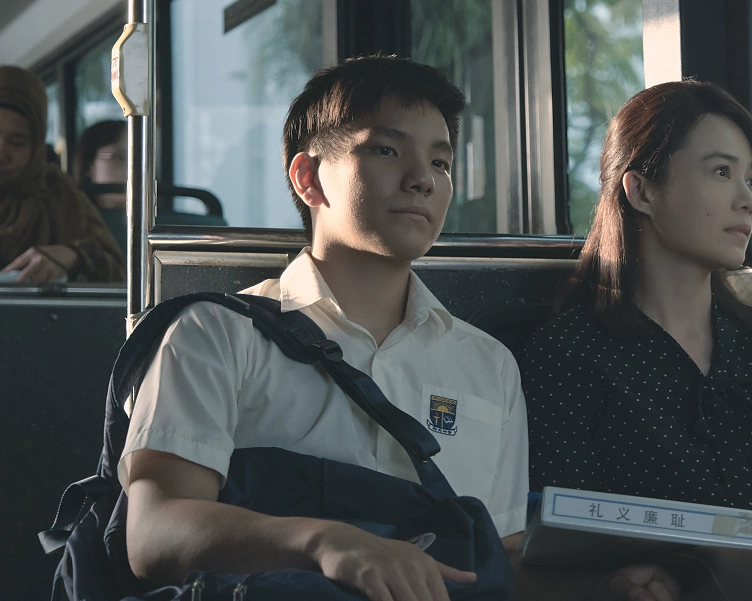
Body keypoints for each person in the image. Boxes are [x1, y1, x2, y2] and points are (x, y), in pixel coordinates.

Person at [120, 55, 528, 600]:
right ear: (308, 177)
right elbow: (154, 534)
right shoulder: (217, 335)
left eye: (442, 163)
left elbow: (501, 560)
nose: (422, 180)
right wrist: (323, 543)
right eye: (387, 150)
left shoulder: (488, 364)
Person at [517, 80, 752, 600]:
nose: (747, 201)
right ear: (643, 190)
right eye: (722, 173)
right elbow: (552, 546)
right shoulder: (569, 356)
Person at [0, 65, 124, 283]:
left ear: (36, 146)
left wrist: (75, 254)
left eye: (17, 142)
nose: (2, 154)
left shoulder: (57, 194)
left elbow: (118, 274)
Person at [74, 119, 128, 254]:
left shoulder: (164, 226)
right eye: (118, 158)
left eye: (141, 159)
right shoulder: (68, 225)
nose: (133, 170)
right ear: (88, 166)